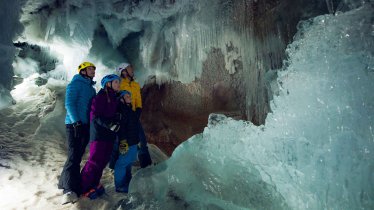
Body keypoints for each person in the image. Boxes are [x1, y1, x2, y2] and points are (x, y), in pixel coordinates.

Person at [58, 62, 96, 205]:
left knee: (78, 155)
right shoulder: (75, 84)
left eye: (93, 69)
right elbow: (69, 103)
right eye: (90, 69)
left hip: (84, 125)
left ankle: (65, 182)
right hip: (74, 125)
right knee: (74, 155)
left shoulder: (91, 89)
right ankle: (68, 190)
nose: (93, 71)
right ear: (83, 71)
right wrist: (76, 122)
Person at [80, 74, 121, 199]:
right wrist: (109, 124)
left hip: (109, 134)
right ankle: (83, 187)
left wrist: (116, 121)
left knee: (103, 161)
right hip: (99, 134)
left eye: (118, 83)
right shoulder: (100, 97)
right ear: (107, 84)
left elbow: (112, 114)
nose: (118, 85)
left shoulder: (114, 98)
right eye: (115, 83)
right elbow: (96, 116)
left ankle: (94, 183)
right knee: (94, 161)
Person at [115, 63, 152, 168]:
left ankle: (146, 165)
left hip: (134, 116)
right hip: (125, 117)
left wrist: (138, 110)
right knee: (130, 142)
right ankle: (120, 166)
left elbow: (138, 99)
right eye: (129, 68)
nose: (132, 69)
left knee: (142, 140)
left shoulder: (135, 84)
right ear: (123, 71)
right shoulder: (120, 85)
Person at [114, 90, 140, 193]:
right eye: (126, 96)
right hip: (126, 141)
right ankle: (119, 186)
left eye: (130, 95)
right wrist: (123, 141)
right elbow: (121, 127)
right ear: (121, 99)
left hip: (133, 141)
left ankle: (127, 182)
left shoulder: (128, 109)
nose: (129, 97)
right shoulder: (121, 110)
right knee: (122, 163)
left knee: (128, 162)